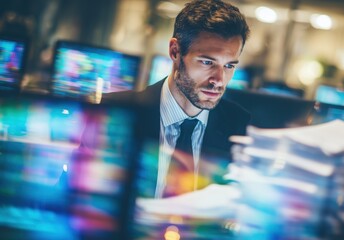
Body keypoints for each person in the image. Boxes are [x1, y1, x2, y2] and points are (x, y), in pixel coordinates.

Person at [101, 0, 251, 198]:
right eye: (207, 62)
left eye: (229, 66)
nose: (219, 80)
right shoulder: (116, 111)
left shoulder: (239, 126)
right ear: (175, 51)